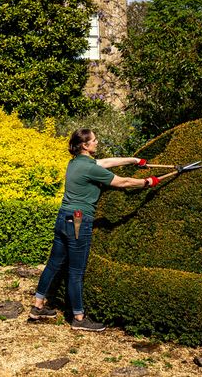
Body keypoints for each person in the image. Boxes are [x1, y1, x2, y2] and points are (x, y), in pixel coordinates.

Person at [30, 128, 158, 331]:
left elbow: (106, 163)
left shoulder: (75, 163)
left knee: (54, 263)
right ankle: (79, 319)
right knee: (76, 271)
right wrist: (147, 182)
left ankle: (37, 306)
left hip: (64, 216)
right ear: (85, 145)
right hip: (79, 220)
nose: (97, 143)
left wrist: (134, 160)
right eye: (94, 141)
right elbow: (122, 182)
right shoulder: (90, 168)